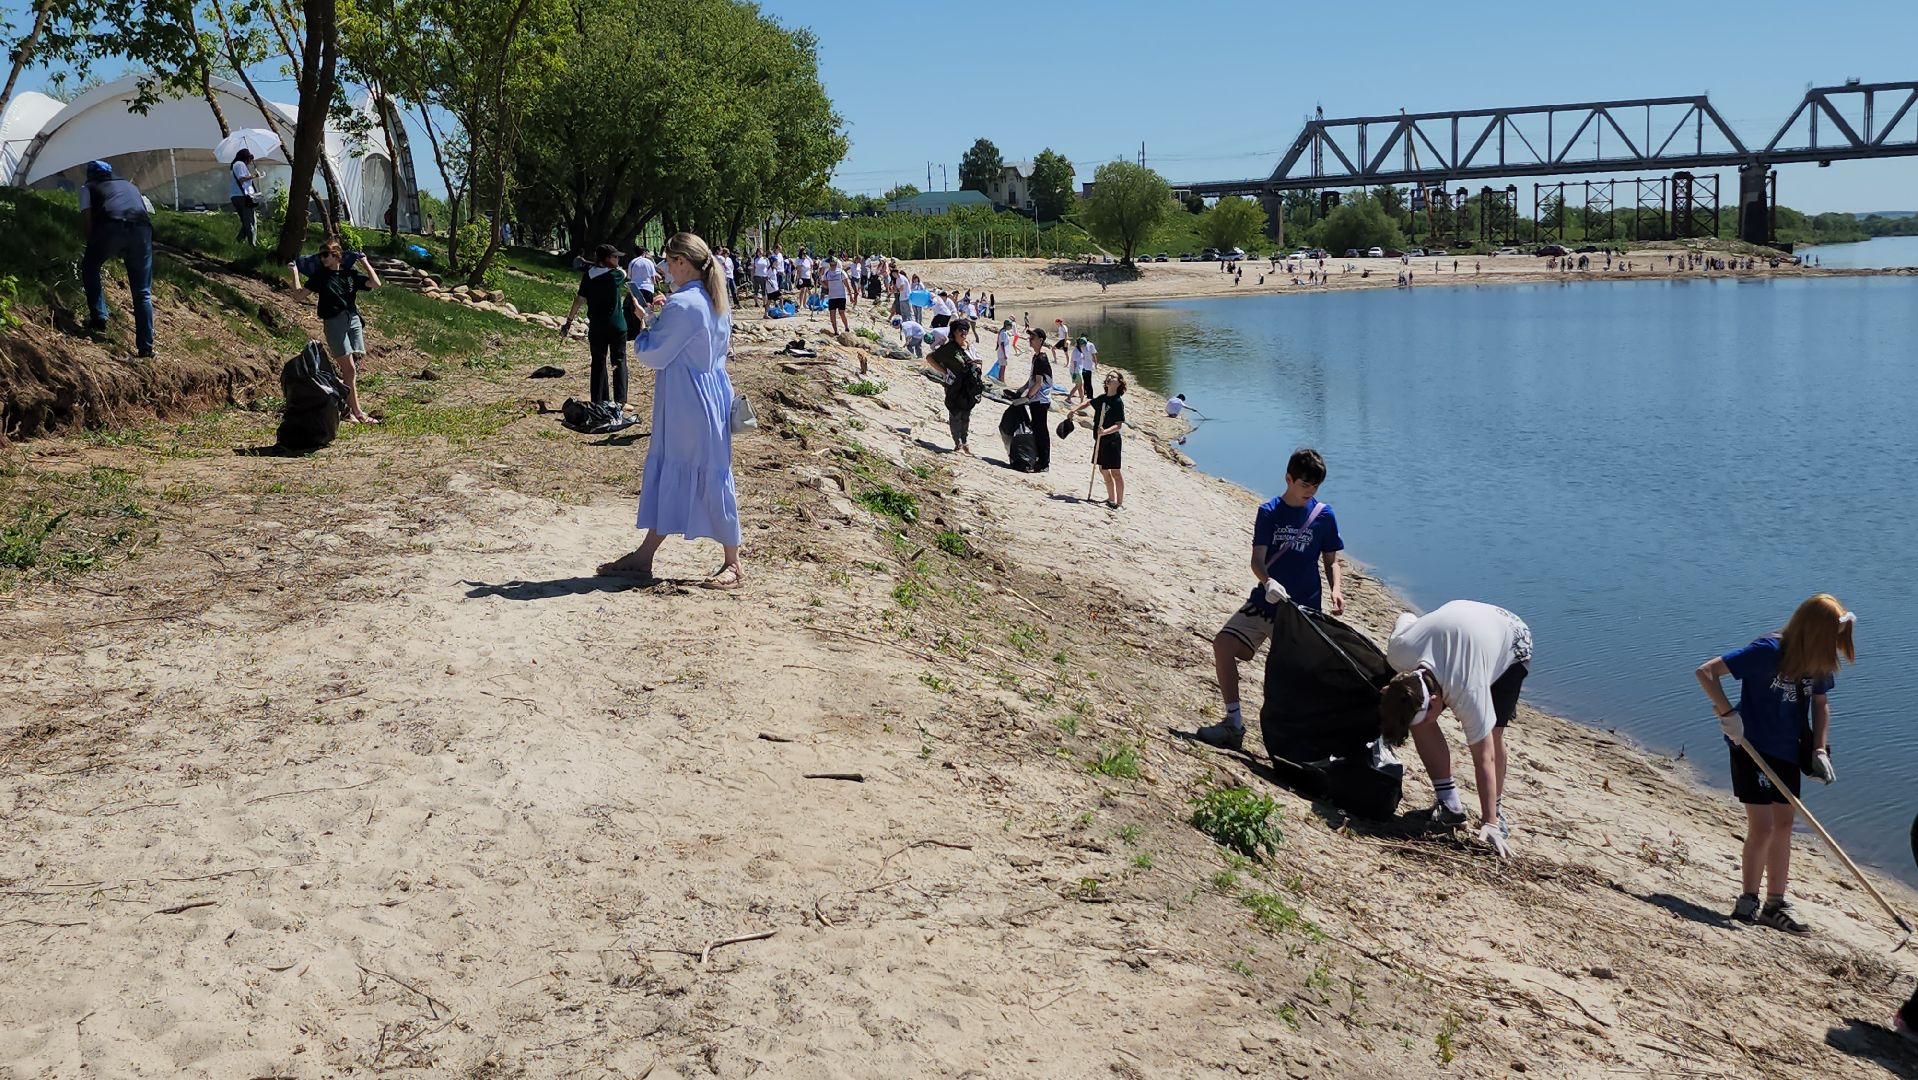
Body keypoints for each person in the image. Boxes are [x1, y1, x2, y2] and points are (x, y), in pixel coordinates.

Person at [1695, 595, 1852, 933]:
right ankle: (1748, 901)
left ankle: (1775, 904)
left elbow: (1821, 704)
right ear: (1813, 629)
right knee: (1763, 826)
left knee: (1784, 826)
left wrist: (1820, 750)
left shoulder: (1818, 659)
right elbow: (1707, 673)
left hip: (1787, 749)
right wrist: (1728, 714)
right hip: (1750, 745)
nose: (1834, 646)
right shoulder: (1768, 650)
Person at [597, 232, 742, 589]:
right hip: (710, 392)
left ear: (681, 262)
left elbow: (653, 354)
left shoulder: (685, 304)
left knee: (686, 469)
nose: (664, 269)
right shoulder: (712, 299)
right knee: (704, 471)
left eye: (668, 261)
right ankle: (647, 555)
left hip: (687, 399)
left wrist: (645, 324)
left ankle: (733, 563)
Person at [1195, 449, 1343, 750]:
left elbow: (1331, 561)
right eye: (1304, 484)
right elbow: (1257, 561)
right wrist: (1268, 580)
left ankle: (1300, 742)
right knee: (1223, 644)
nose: (1310, 491)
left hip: (1300, 613)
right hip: (1265, 603)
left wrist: (1336, 589)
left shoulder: (1324, 516)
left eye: (1316, 486)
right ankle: (1233, 724)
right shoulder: (1269, 512)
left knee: (1292, 682)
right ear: (1288, 478)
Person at [1377, 601, 1533, 838]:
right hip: (1461, 622)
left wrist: (1488, 821)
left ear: (1436, 697)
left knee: (1493, 733)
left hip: (1512, 639)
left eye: (1431, 713)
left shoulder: (1468, 689)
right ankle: (1450, 806)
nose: (1429, 721)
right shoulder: (1400, 652)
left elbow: (1485, 757)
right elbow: (1406, 616)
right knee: (1415, 716)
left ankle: (1497, 815)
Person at [288, 237, 384, 423]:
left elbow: (376, 283)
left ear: (337, 256)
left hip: (353, 319)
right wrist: (295, 273)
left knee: (353, 367)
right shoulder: (320, 277)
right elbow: (299, 296)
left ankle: (345, 405)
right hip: (334, 322)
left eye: (326, 255)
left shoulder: (350, 274)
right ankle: (356, 412)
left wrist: (364, 262)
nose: (322, 259)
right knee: (348, 369)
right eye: (321, 255)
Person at [78, 161, 156, 359]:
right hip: (142, 230)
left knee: (90, 266)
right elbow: (143, 211)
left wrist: (93, 246)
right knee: (143, 292)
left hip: (111, 226)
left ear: (90, 175)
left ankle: (99, 317)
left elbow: (87, 219)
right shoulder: (131, 186)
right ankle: (146, 348)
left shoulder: (87, 188)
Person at [561, 244, 633, 410]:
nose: (618, 259)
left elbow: (579, 299)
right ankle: (621, 400)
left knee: (598, 363)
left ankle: (599, 400)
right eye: (615, 257)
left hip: (597, 327)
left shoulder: (588, 276)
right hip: (617, 326)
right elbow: (624, 273)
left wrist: (569, 321)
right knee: (619, 362)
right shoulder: (615, 275)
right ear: (606, 259)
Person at [1067, 372, 1128, 509]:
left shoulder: (1117, 402)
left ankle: (1119, 503)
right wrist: (1075, 409)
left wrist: (1105, 431)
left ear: (1119, 382)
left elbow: (1118, 425)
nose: (1109, 378)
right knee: (1103, 469)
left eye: (1113, 377)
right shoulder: (1103, 398)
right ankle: (1111, 499)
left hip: (1112, 440)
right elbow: (1089, 402)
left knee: (1115, 472)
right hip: (1100, 440)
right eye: (1108, 376)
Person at [923, 317, 981, 455]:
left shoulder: (969, 346)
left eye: (966, 330)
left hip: (969, 386)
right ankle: (958, 443)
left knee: (966, 414)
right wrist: (944, 372)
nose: (964, 332)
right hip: (954, 386)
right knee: (955, 413)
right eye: (961, 330)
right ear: (954, 332)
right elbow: (930, 358)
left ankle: (965, 441)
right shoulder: (948, 349)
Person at [1012, 328, 1054, 472]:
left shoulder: (1041, 359)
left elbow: (1039, 383)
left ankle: (1044, 463)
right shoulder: (1036, 357)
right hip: (1036, 399)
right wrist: (1020, 390)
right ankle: (1039, 459)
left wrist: (1027, 397)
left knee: (1041, 430)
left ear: (1040, 340)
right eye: (1030, 337)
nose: (1030, 339)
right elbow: (1032, 379)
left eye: (1033, 337)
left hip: (1040, 400)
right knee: (1036, 429)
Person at [229, 148, 262, 246]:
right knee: (251, 222)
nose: (250, 162)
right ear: (245, 158)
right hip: (242, 197)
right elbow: (241, 179)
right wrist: (254, 176)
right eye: (250, 159)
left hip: (238, 196)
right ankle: (252, 245)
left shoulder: (236, 165)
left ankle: (237, 243)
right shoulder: (239, 164)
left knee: (245, 222)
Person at [821, 257, 852, 336]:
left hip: (841, 295)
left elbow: (847, 285)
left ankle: (846, 327)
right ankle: (836, 331)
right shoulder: (827, 273)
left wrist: (851, 295)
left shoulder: (841, 272)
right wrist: (821, 282)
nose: (833, 266)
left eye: (834, 264)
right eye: (831, 264)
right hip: (832, 296)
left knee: (841, 312)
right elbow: (827, 286)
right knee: (832, 314)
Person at [1067, 334, 1097, 405]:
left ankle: (1081, 400)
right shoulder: (1076, 351)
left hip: (1079, 370)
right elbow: (1074, 362)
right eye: (1083, 344)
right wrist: (1074, 372)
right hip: (1075, 370)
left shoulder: (1080, 350)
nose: (1084, 346)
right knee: (1079, 385)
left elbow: (1083, 358)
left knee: (1080, 385)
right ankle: (1068, 398)